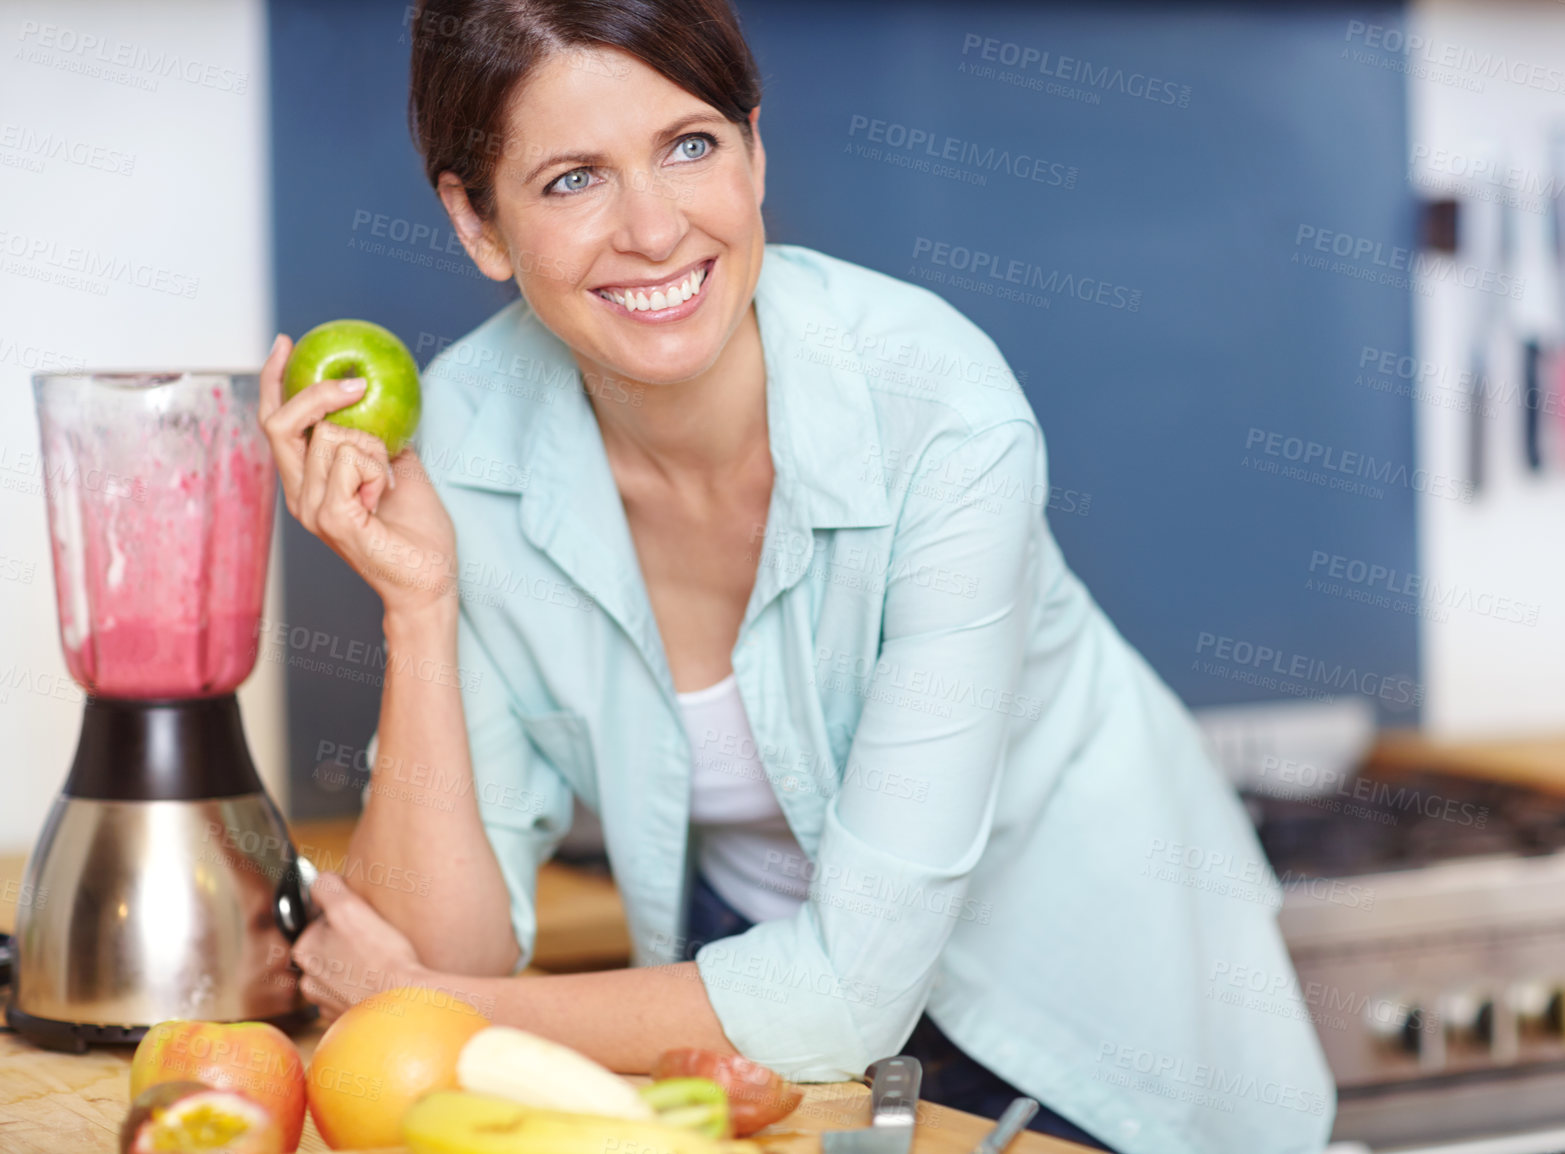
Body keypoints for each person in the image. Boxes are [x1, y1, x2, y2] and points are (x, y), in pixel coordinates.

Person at [256, 2, 1335, 1151]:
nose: (656, 229)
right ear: (474, 220)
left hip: (1091, 1013)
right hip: (767, 1015)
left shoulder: (943, 421)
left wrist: (437, 1008)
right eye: (574, 179)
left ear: (755, 149)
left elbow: (432, 998)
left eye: (690, 145)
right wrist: (418, 606)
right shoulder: (468, 439)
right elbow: (444, 950)